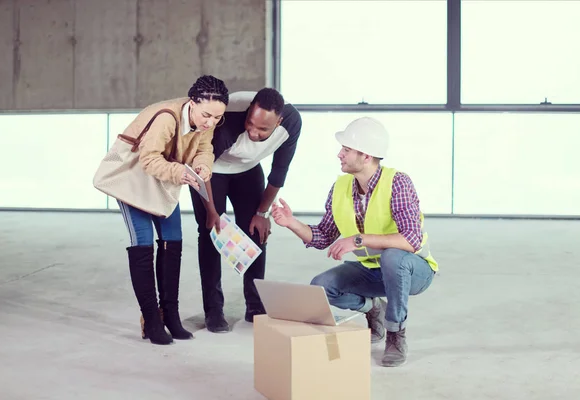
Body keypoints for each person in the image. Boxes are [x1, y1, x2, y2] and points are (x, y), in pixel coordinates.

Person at [270, 117, 439, 367]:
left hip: (415, 270)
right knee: (321, 287)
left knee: (393, 256)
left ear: (367, 156)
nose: (340, 154)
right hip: (374, 271)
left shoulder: (397, 183)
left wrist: (358, 240)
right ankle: (372, 307)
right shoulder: (340, 187)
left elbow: (411, 239)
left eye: (346, 149)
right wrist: (291, 222)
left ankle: (395, 334)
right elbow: (324, 236)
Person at [114, 75, 229, 345]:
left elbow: (204, 149)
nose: (210, 123)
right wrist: (181, 171)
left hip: (165, 180)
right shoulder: (167, 118)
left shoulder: (207, 121)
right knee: (142, 244)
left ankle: (171, 316)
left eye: (217, 118)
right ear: (192, 102)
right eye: (206, 115)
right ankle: (151, 320)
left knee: (173, 242)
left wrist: (203, 167)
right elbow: (149, 158)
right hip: (134, 182)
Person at [189, 88, 302, 333]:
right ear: (249, 110)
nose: (253, 132)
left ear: (278, 121)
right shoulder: (230, 118)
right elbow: (201, 163)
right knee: (210, 234)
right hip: (211, 170)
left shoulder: (291, 123)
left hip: (247, 169)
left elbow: (279, 172)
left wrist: (262, 214)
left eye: (262, 130)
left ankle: (255, 305)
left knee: (256, 232)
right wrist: (211, 210)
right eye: (250, 123)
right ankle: (214, 311)